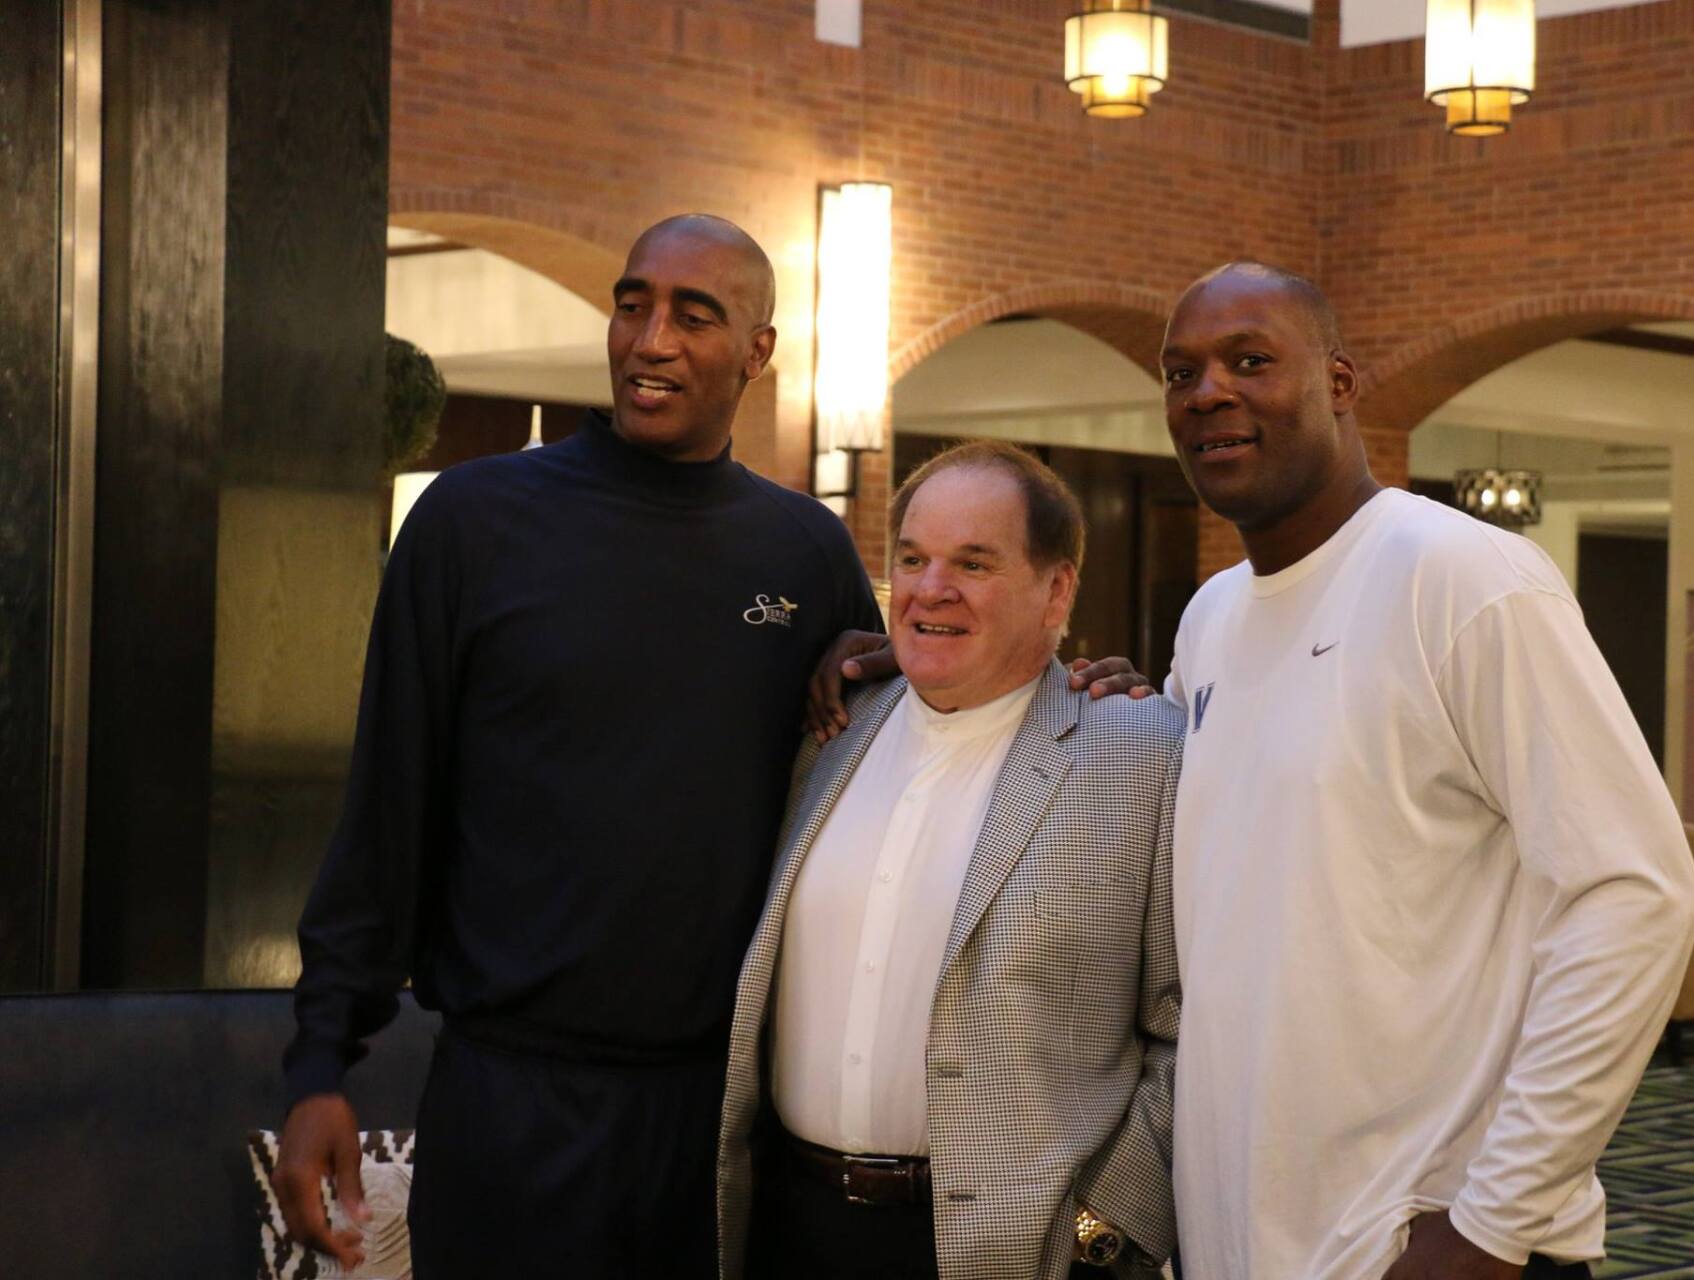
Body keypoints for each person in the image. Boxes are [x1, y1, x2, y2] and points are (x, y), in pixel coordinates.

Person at [271, 214, 891, 1277]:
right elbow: (388, 802)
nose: (650, 339)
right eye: (632, 302)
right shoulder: (475, 520)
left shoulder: (805, 548)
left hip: (719, 1122)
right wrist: (321, 1061)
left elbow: (895, 765)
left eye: (695, 316)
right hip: (508, 1105)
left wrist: (1067, 687)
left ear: (758, 351)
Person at [1155, 263, 1694, 1280]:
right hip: (1248, 1231)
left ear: (1341, 382)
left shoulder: (1465, 578)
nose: (1209, 393)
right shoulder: (1213, 616)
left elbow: (1635, 895)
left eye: (1251, 360)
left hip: (1430, 1240)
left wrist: (1495, 1220)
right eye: (1180, 372)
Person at [716, 441, 1181, 1280]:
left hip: (1018, 1252)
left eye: (974, 562)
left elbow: (1190, 1024)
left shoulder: (1144, 754)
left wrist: (1104, 1228)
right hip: (794, 1225)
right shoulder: (830, 729)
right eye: (914, 559)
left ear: (1057, 589)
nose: (933, 588)